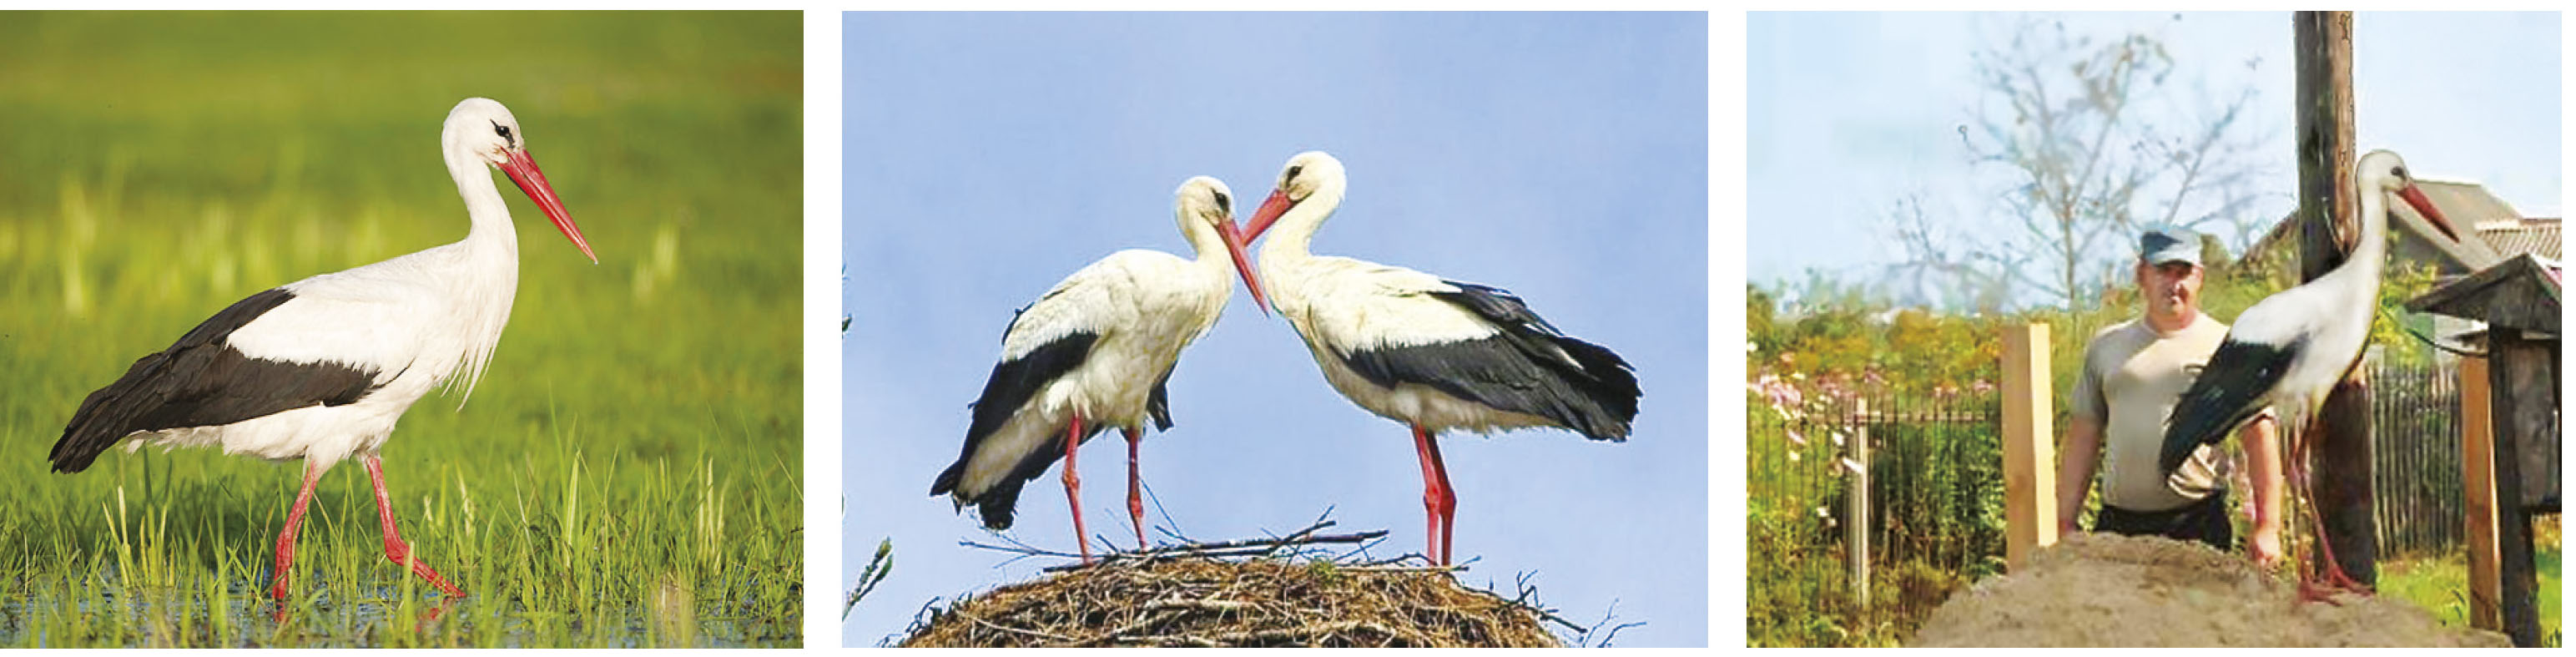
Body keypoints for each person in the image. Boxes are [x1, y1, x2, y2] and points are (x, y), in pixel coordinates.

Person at [2057, 225, 2283, 568]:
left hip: (2197, 525)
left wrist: (2268, 527)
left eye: (2184, 273)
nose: (2174, 284)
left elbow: (2259, 436)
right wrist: (2065, 520)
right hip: (2119, 528)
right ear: (2142, 275)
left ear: (2199, 278)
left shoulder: (2229, 347)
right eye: (2163, 271)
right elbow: (2083, 437)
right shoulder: (2107, 348)